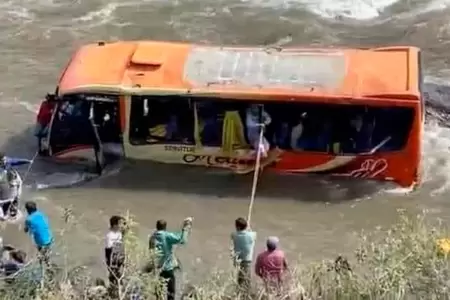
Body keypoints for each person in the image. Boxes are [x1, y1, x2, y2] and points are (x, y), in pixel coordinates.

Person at [149, 217, 192, 300]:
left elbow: (151, 253)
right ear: (165, 227)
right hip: (167, 268)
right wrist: (185, 228)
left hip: (157, 268)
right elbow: (182, 240)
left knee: (158, 292)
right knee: (171, 292)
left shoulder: (152, 237)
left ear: (157, 227)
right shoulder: (167, 235)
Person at [231, 217, 257, 297]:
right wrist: (248, 228)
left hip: (237, 260)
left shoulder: (234, 235)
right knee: (246, 279)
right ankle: (244, 295)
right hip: (247, 261)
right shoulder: (251, 235)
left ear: (238, 227)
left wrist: (245, 229)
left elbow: (235, 235)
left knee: (240, 278)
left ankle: (240, 294)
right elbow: (254, 235)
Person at [24, 201, 53, 265]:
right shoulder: (41, 214)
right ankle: (48, 263)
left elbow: (26, 230)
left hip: (41, 241)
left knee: (41, 254)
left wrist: (26, 227)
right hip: (49, 237)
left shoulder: (28, 219)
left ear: (27, 210)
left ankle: (44, 265)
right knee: (47, 253)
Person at [104, 215, 126, 288]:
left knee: (120, 274)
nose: (121, 225)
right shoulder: (109, 235)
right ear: (114, 225)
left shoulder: (119, 234)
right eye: (119, 224)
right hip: (112, 258)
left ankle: (118, 287)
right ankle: (113, 288)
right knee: (113, 275)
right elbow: (109, 249)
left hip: (119, 257)